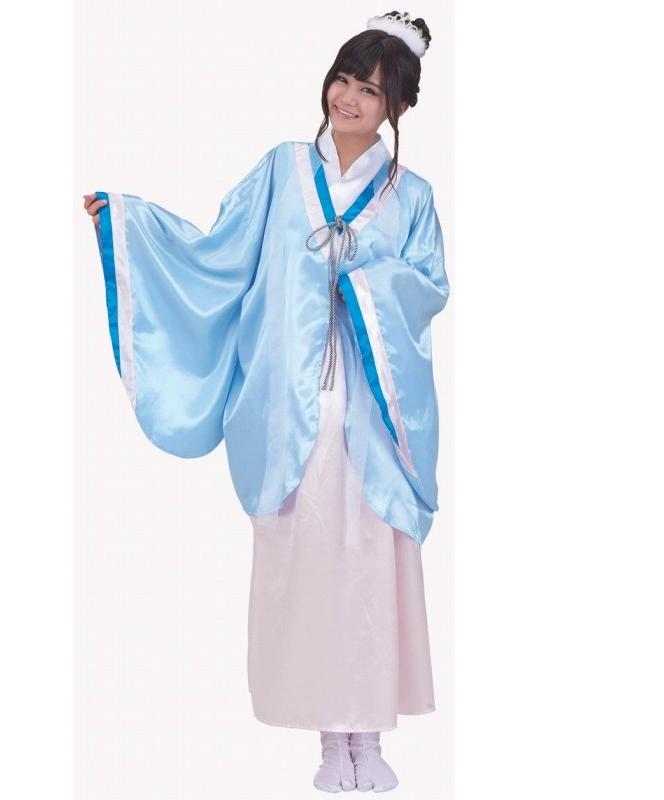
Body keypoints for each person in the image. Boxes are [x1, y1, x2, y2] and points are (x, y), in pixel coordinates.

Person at [84, 10, 448, 794]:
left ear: (398, 107)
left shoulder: (411, 197)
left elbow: (428, 289)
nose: (348, 97)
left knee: (370, 571)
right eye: (342, 79)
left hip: (374, 417)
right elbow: (216, 253)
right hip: (291, 414)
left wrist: (363, 279)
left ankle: (368, 733)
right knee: (309, 566)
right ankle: (328, 741)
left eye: (369, 90)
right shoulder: (283, 170)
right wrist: (130, 221)